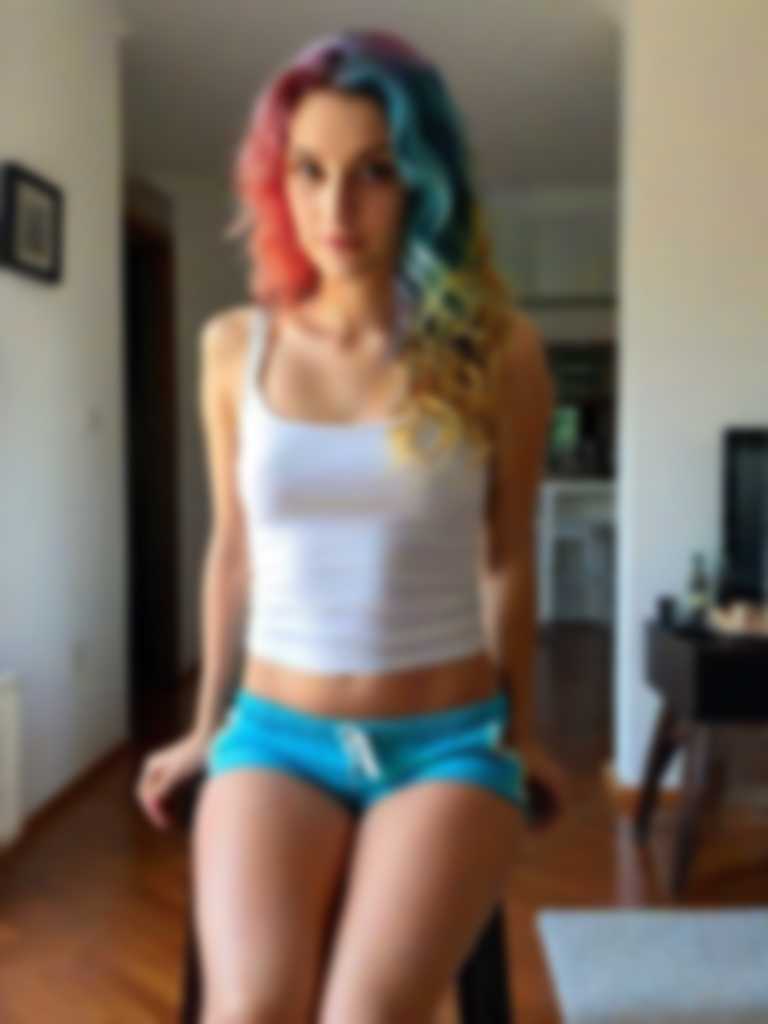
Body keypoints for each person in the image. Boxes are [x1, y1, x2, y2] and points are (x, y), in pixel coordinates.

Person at [135, 28, 568, 1024]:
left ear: (421, 181)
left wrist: (524, 732)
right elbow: (232, 553)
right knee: (250, 1007)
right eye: (310, 170)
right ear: (276, 182)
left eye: (373, 171)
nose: (337, 209)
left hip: (446, 743)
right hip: (275, 738)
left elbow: (508, 560)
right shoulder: (231, 348)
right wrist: (204, 726)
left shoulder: (500, 352)